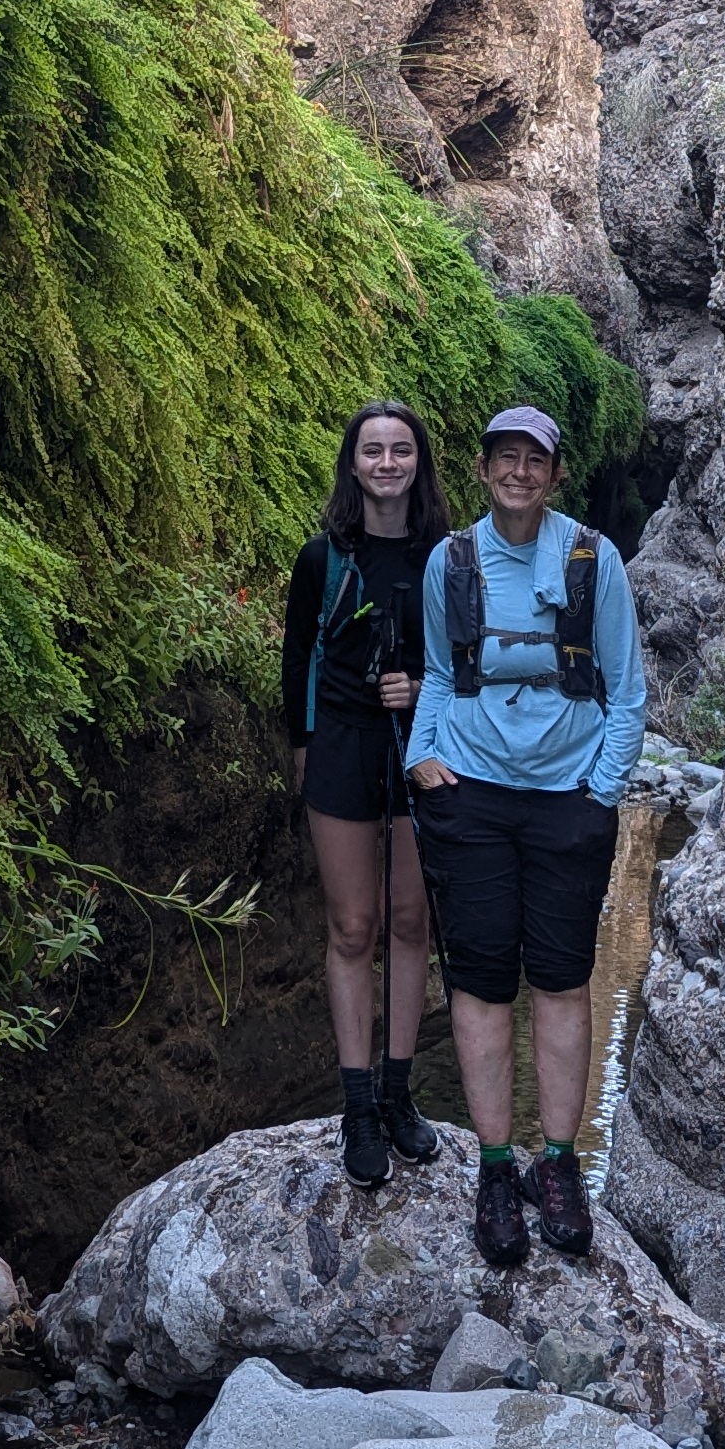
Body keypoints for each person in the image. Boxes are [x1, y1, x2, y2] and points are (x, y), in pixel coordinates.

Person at [405, 403, 646, 1271]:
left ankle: (561, 1166)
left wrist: (601, 792)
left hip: (566, 799)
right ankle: (496, 1168)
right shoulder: (452, 561)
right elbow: (440, 669)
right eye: (504, 459)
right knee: (477, 981)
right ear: (483, 470)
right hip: (470, 795)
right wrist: (420, 756)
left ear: (553, 474)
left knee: (560, 977)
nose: (519, 473)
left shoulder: (593, 559)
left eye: (533, 462)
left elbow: (627, 688)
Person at [281, 401, 449, 1188]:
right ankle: (357, 1106)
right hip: (345, 748)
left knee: (412, 920)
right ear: (354, 465)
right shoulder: (322, 558)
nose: (387, 463)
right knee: (355, 926)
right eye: (373, 451)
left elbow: (468, 659)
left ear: (420, 463)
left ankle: (397, 1093)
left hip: (424, 747)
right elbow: (296, 662)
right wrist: (304, 753)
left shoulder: (449, 558)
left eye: (401, 450)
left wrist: (420, 688)